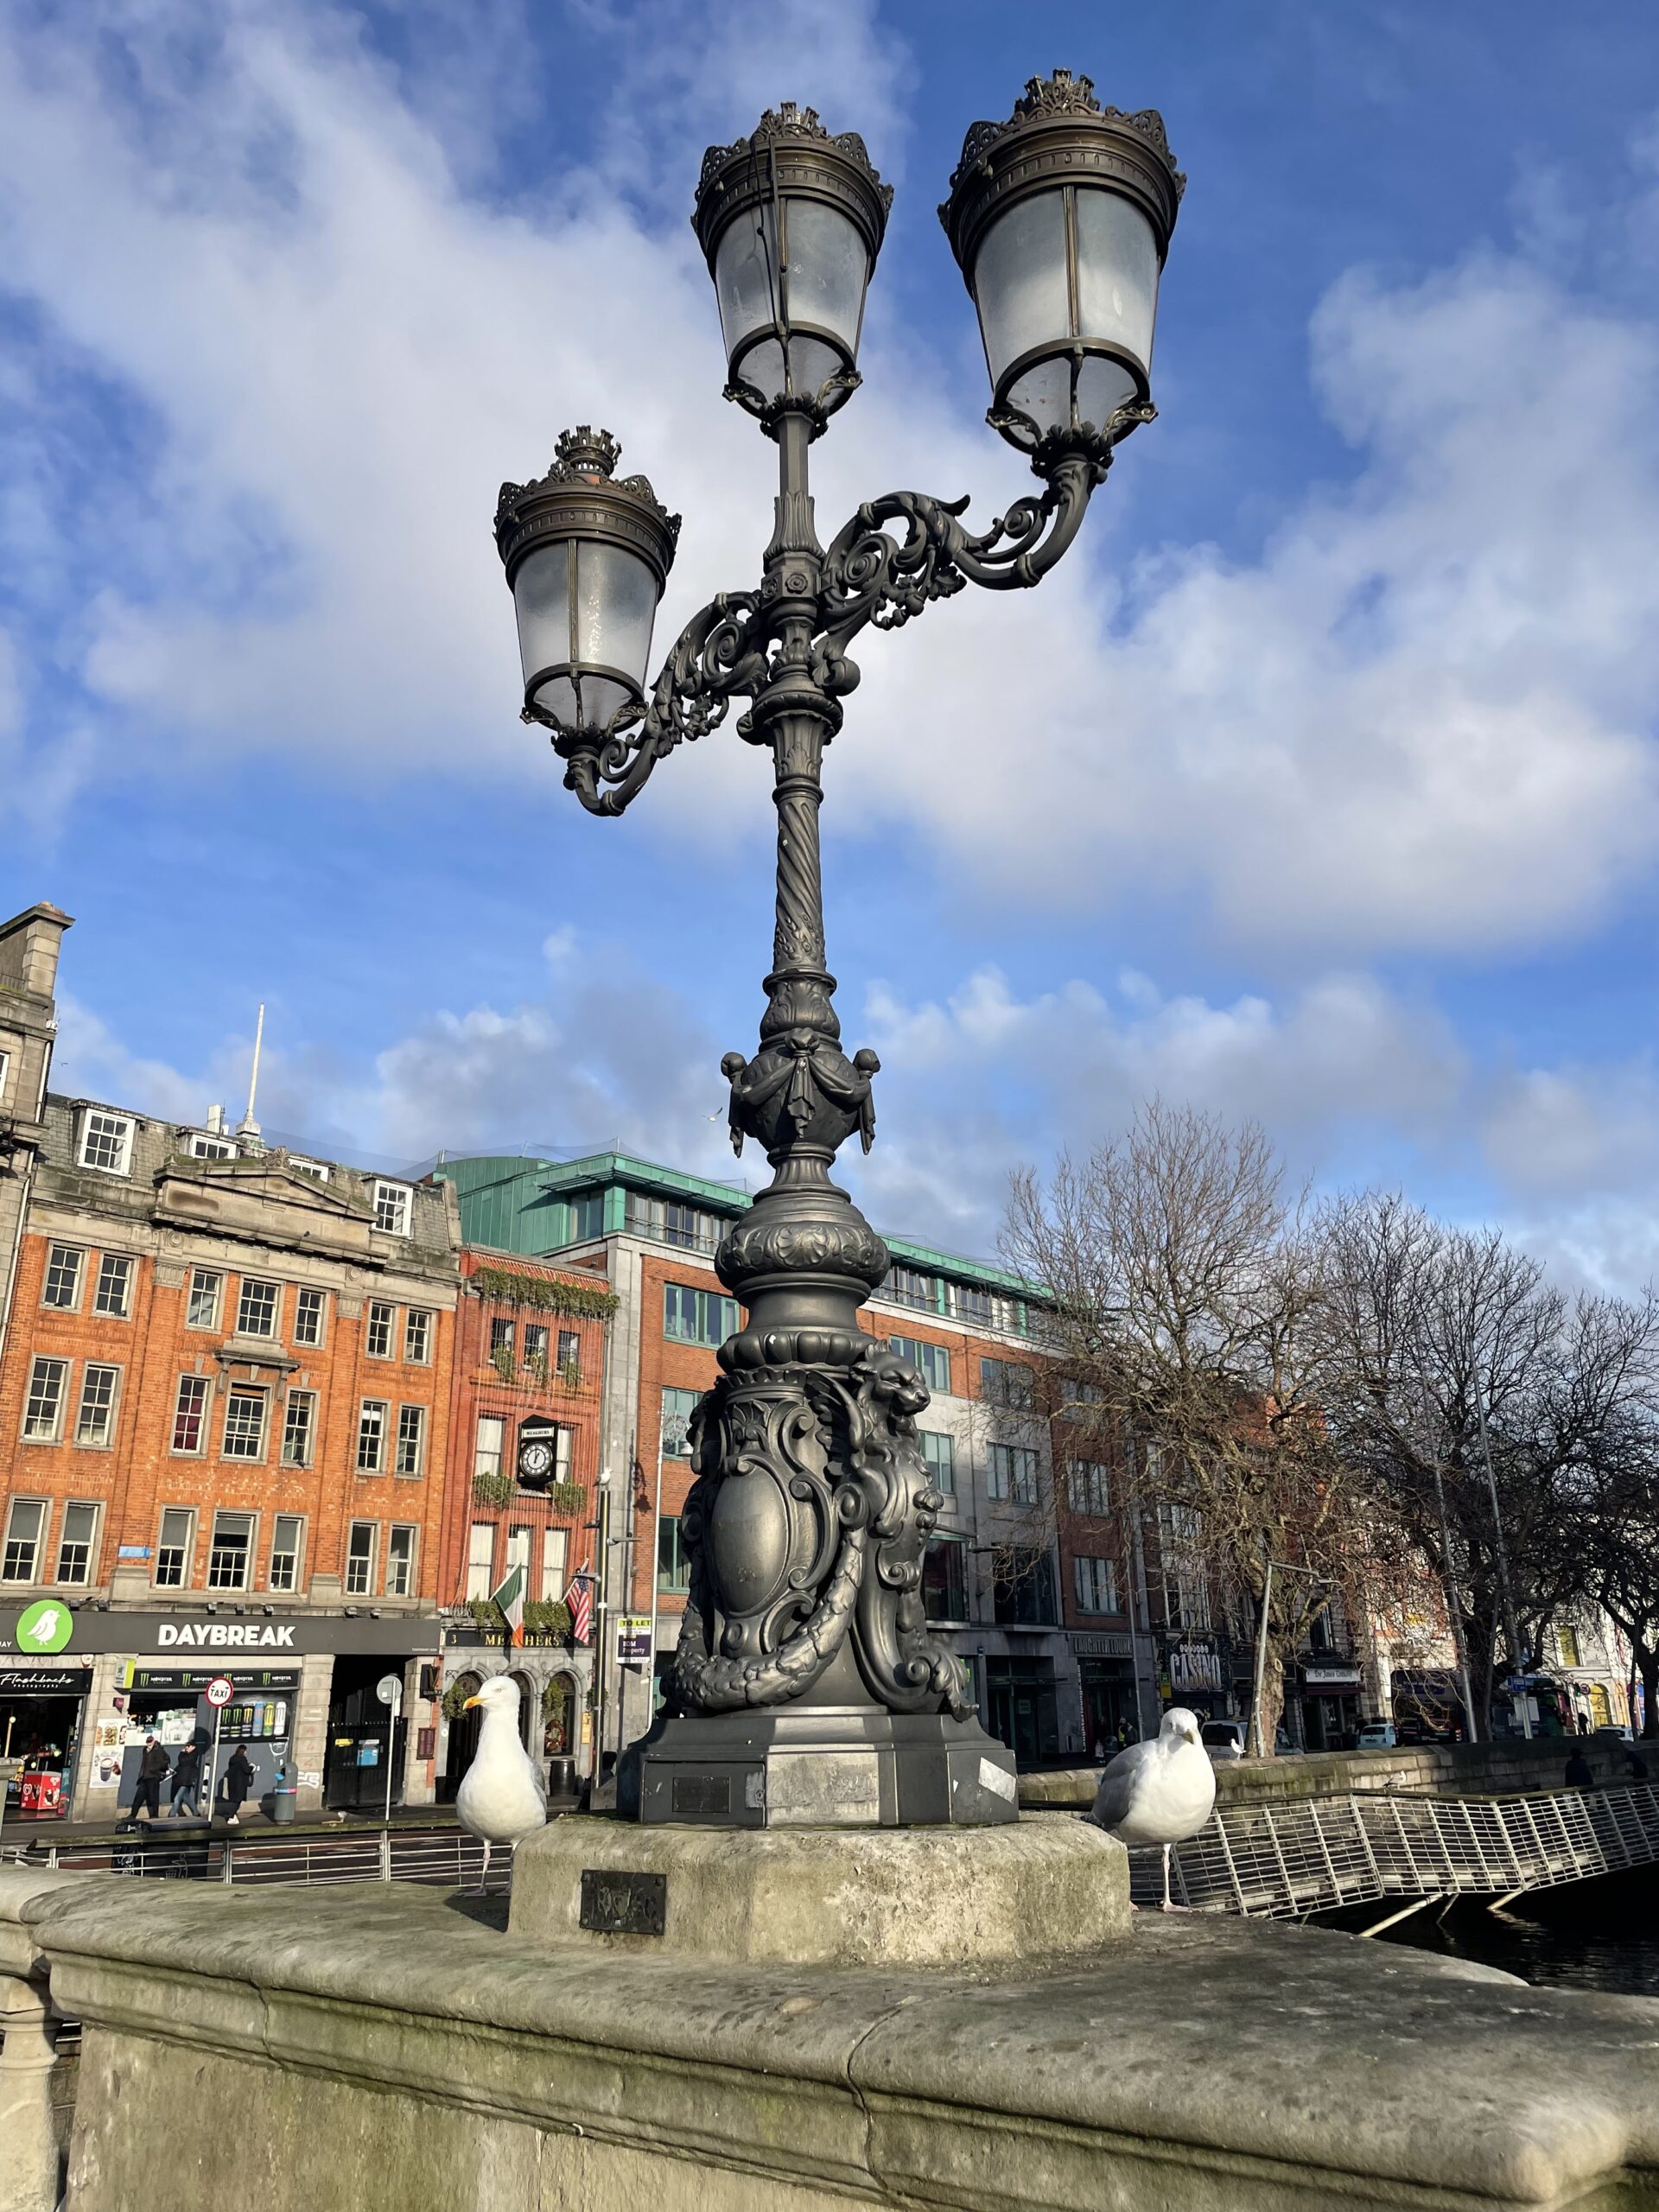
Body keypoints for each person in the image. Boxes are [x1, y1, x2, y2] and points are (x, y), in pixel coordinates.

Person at [126, 1736, 168, 1826]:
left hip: (153, 1777)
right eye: (147, 1742)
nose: (148, 1744)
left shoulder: (158, 1750)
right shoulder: (145, 1750)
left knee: (153, 1798)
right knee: (139, 1797)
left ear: (154, 1741)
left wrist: (153, 1769)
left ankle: (154, 1816)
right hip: (145, 1777)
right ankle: (133, 1815)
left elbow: (163, 1764)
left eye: (150, 1742)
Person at [218, 1744, 255, 1827]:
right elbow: (246, 1770)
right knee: (238, 1800)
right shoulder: (242, 1759)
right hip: (240, 1783)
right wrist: (252, 1767)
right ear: (243, 1751)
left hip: (232, 1782)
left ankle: (233, 1816)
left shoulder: (232, 1758)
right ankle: (231, 1816)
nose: (246, 1752)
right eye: (245, 1751)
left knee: (235, 1800)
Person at [169, 1741, 201, 1819]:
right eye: (186, 1745)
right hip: (182, 1780)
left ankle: (172, 1815)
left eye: (188, 1746)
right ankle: (196, 1813)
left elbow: (182, 1761)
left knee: (177, 1798)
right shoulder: (188, 1755)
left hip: (186, 1781)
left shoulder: (193, 1755)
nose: (186, 1747)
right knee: (186, 1798)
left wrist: (182, 1753)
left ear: (193, 1747)